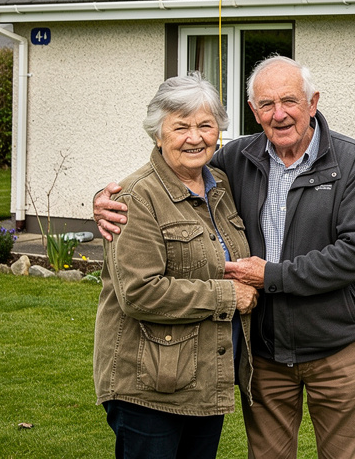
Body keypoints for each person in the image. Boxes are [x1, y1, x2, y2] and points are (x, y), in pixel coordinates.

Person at [94, 56, 355, 459]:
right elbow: (164, 172)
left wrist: (272, 277)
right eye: (266, 104)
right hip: (264, 355)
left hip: (338, 350)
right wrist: (106, 198)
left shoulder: (351, 162)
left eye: (290, 101)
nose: (279, 114)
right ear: (253, 111)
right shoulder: (236, 160)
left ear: (313, 102)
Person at [93, 73, 259, 459]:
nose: (195, 137)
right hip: (148, 384)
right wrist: (228, 295)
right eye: (181, 126)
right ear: (157, 134)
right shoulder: (137, 196)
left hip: (204, 379)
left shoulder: (219, 184)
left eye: (205, 125)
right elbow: (139, 293)